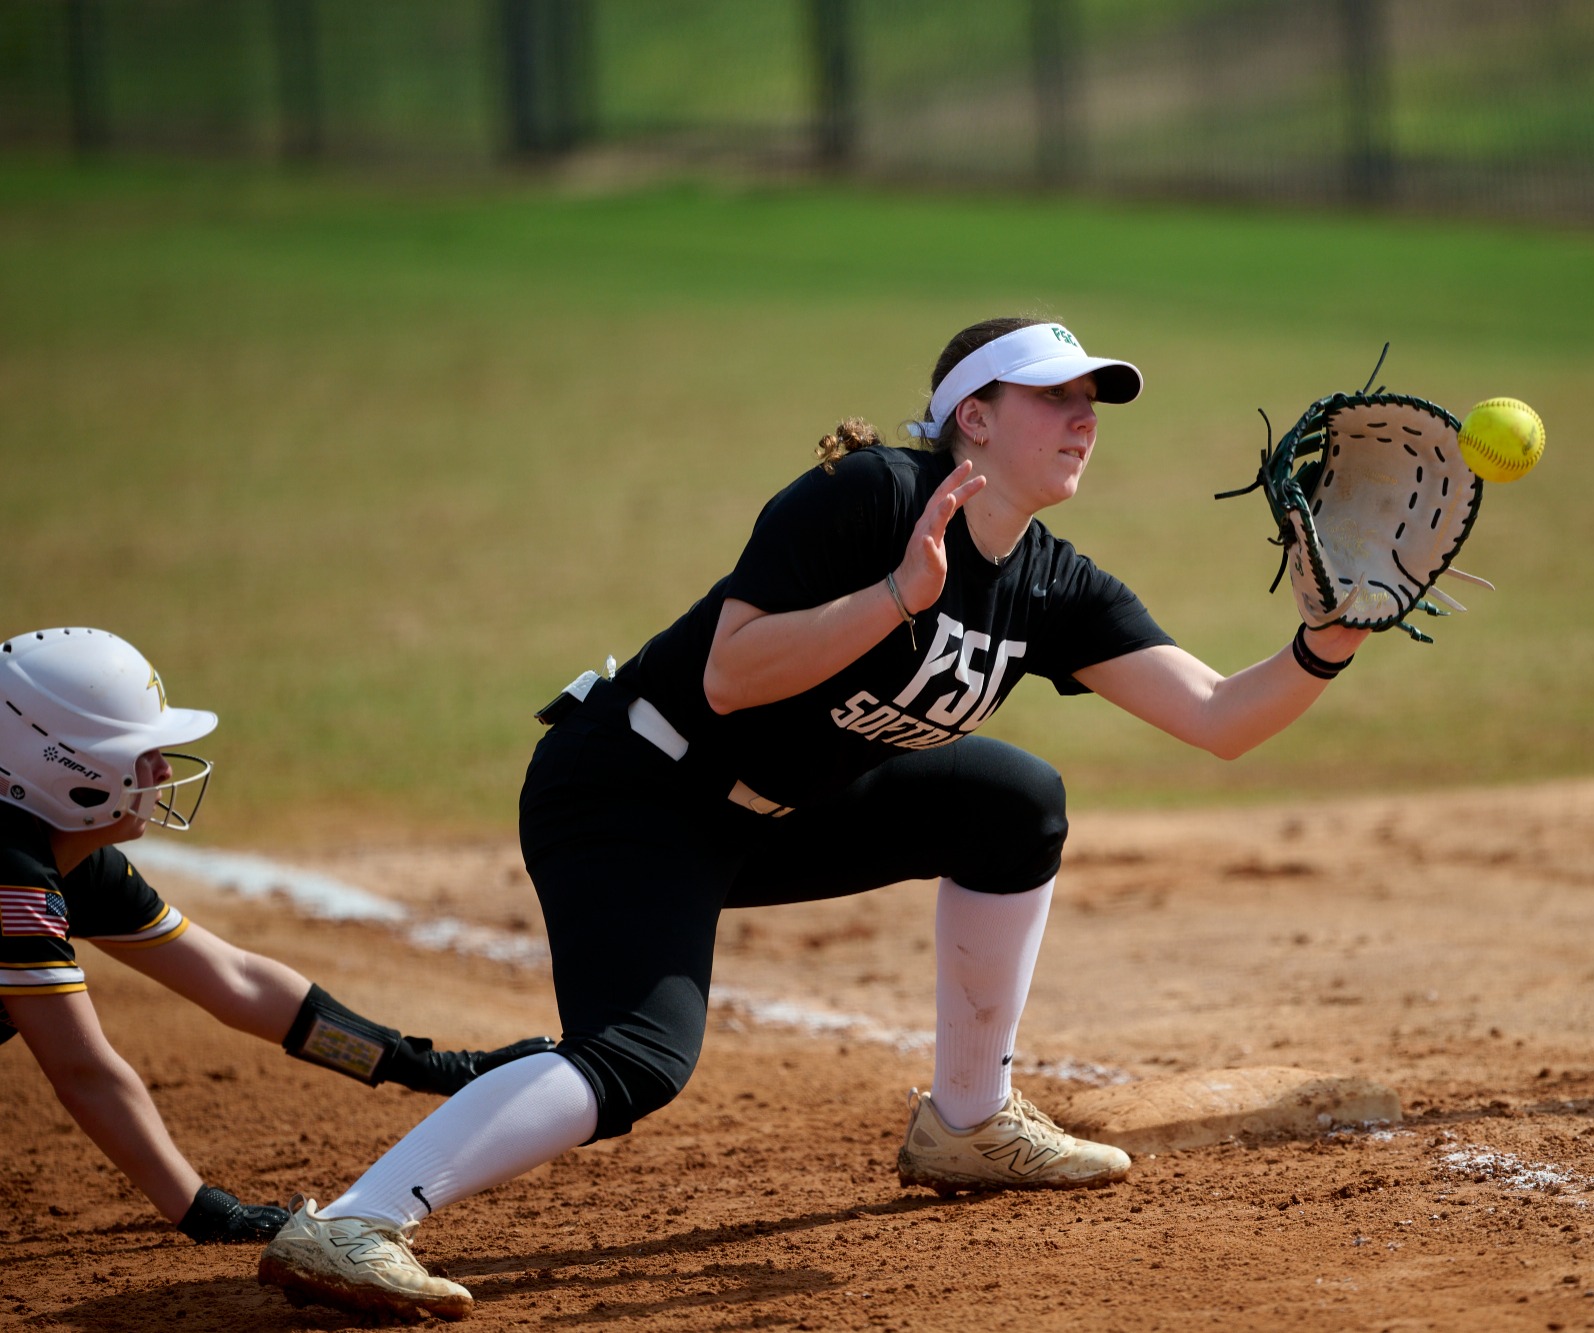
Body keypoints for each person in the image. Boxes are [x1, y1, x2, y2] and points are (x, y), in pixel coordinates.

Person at [256, 316, 1373, 1321]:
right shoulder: (871, 498)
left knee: (1013, 803)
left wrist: (1329, 638)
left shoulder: (1050, 584)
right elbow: (734, 675)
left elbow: (1220, 716)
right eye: (1053, 396)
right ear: (970, 419)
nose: (1082, 417)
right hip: (632, 790)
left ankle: (969, 1123)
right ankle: (355, 1220)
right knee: (638, 1056)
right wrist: (896, 596)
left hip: (782, 810)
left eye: (1093, 401)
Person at [0, 626, 556, 1245]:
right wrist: (203, 1210)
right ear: (62, 762)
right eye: (140, 750)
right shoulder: (13, 877)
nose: (161, 769)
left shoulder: (73, 861)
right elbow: (83, 1069)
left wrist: (437, 1069)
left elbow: (235, 981)